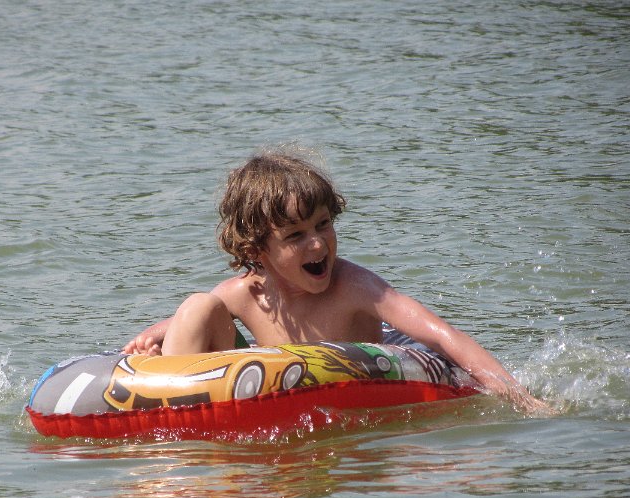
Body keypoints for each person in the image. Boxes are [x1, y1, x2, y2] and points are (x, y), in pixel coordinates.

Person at [123, 150, 550, 414]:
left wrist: (517, 395)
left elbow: (442, 335)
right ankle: (167, 417)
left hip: (359, 384)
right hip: (263, 391)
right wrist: (153, 337)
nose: (317, 243)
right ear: (258, 250)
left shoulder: (355, 288)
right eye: (295, 236)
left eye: (323, 224)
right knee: (198, 305)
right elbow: (191, 318)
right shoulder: (246, 293)